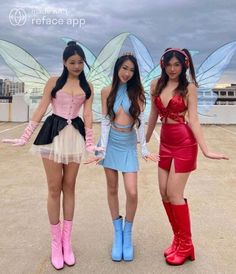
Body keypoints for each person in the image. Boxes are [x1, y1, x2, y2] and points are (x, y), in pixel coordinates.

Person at [2, 41, 101, 270]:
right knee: (54, 188)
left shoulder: (88, 86)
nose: (77, 66)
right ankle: (56, 243)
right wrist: (25, 137)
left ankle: (68, 241)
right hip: (52, 135)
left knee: (70, 187)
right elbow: (41, 108)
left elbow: (87, 115)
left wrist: (90, 143)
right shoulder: (54, 82)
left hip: (74, 136)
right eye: (72, 62)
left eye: (80, 62)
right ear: (64, 62)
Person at [146, 48, 229, 266]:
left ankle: (186, 245)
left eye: (177, 65)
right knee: (163, 193)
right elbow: (153, 115)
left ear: (184, 66)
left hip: (184, 142)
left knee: (175, 194)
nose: (173, 69)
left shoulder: (189, 87)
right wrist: (142, 142)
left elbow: (194, 119)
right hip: (165, 142)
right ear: (163, 64)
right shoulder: (156, 85)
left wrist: (206, 150)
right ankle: (179, 239)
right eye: (169, 64)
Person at [86, 53, 157, 262]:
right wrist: (102, 150)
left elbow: (141, 123)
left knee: (132, 192)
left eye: (132, 70)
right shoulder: (106, 91)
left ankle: (128, 232)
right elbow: (105, 122)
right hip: (110, 144)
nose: (127, 73)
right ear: (117, 68)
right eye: (124, 68)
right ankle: (117, 233)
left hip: (127, 145)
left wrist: (143, 149)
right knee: (112, 188)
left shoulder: (138, 92)